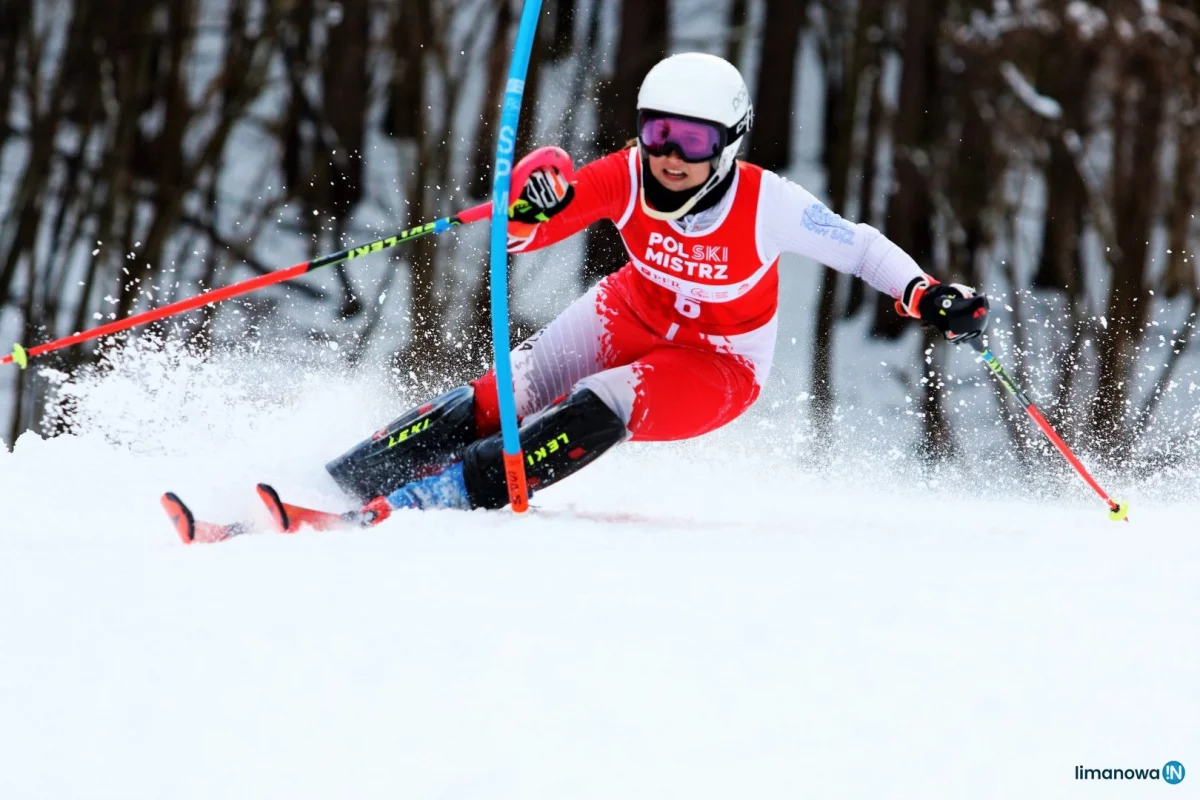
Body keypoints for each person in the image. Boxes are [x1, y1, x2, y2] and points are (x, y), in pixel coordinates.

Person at [325, 52, 989, 522]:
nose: (670, 156)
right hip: (628, 310)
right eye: (658, 132)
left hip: (717, 365)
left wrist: (925, 293)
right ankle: (345, 482)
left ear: (728, 143)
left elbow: (860, 247)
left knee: (599, 401)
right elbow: (529, 232)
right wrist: (532, 200)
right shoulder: (629, 174)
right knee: (505, 393)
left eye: (692, 140)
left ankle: (447, 495)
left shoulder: (768, 204)